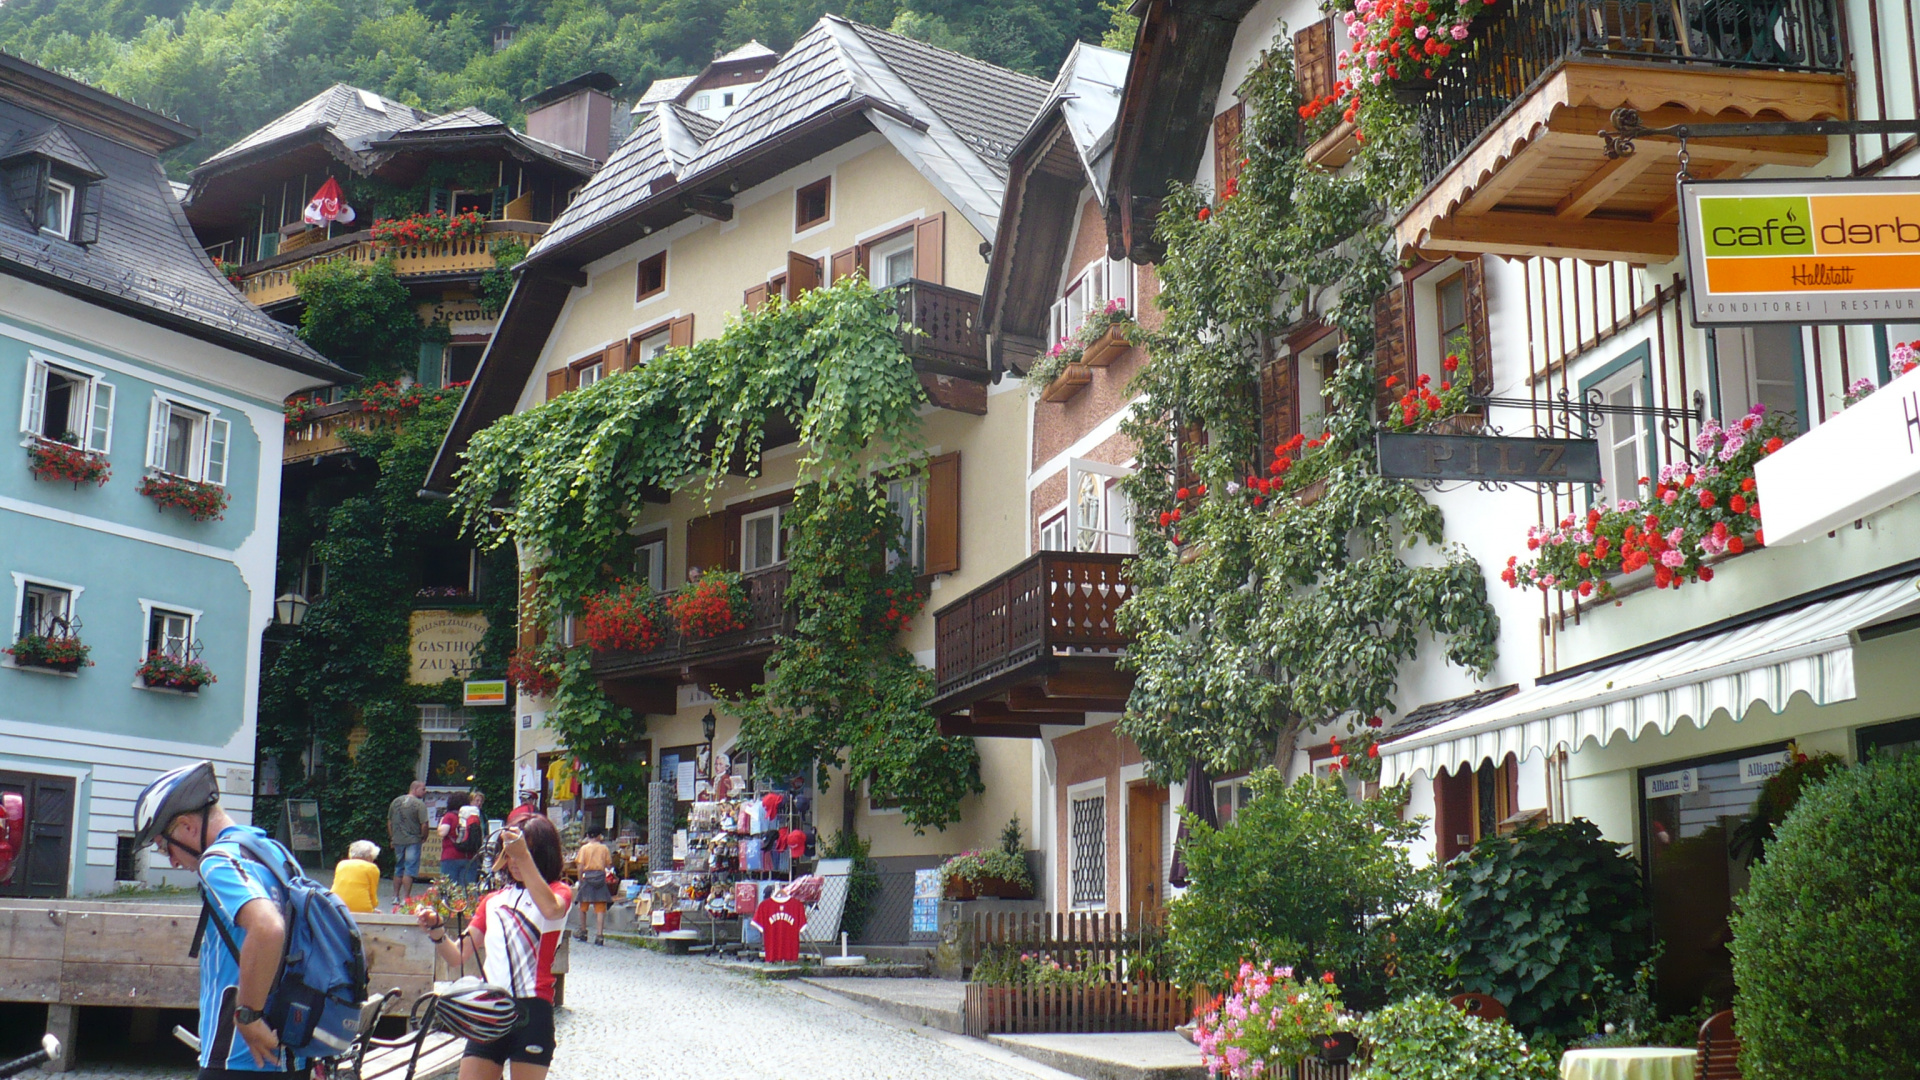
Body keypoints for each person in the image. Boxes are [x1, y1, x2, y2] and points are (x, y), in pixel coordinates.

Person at [131, 762, 295, 1076]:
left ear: (186, 826)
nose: (174, 863)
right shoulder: (272, 852)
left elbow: (268, 927)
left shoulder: (218, 861)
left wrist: (248, 1015)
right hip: (288, 1053)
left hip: (239, 1058)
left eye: (166, 848)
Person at [416, 815, 573, 1079]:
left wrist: (522, 855)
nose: (514, 860)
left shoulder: (559, 892)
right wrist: (436, 931)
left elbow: (551, 909)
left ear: (541, 854)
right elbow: (458, 956)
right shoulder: (493, 900)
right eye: (508, 855)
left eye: (522, 853)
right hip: (489, 1009)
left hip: (532, 1010)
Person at [387, 780, 430, 907]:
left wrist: (392, 837)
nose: (425, 791)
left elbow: (389, 822)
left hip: (398, 840)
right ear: (415, 789)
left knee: (399, 867)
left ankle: (395, 896)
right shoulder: (419, 805)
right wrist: (423, 837)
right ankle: (406, 898)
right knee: (410, 869)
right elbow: (424, 824)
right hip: (413, 840)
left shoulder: (395, 801)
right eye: (423, 789)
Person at [573, 826, 614, 945]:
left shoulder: (584, 849)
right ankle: (599, 935)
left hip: (587, 878)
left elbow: (580, 867)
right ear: (598, 836)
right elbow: (609, 866)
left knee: (583, 906)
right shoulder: (604, 848)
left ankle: (583, 931)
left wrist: (580, 880)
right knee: (600, 908)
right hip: (600, 878)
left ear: (588, 836)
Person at [332, 840, 382, 914]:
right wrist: (373, 907)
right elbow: (372, 893)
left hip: (335, 903)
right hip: (361, 907)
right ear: (370, 856)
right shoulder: (372, 868)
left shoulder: (341, 864)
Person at [438, 793, 470, 888]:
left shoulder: (449, 816)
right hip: (468, 855)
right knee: (466, 889)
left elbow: (442, 832)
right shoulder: (470, 817)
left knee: (449, 888)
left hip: (451, 855)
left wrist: (440, 823)